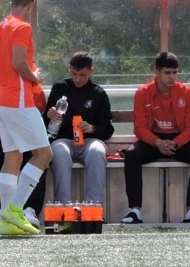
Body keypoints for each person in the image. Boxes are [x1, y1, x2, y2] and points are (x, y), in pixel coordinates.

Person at [0, 0, 51, 236]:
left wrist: (4, 69)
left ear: (11, 4)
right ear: (30, 7)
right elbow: (19, 63)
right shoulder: (23, 27)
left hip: (2, 102)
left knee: (13, 157)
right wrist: (35, 78)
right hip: (18, 100)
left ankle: (6, 221)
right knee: (44, 154)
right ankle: (15, 209)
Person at [121, 51, 190, 224]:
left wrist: (175, 143)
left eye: (175, 72)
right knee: (131, 155)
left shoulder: (186, 92)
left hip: (178, 140)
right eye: (167, 72)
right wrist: (157, 142)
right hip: (153, 140)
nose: (172, 77)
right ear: (156, 72)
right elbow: (139, 127)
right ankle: (135, 211)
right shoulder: (143, 92)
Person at [44, 52, 114, 215]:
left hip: (89, 141)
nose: (77, 79)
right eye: (74, 74)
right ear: (69, 69)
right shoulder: (59, 88)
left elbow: (108, 129)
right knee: (59, 153)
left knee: (97, 152)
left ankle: (94, 209)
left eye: (82, 75)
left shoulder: (98, 93)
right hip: (63, 139)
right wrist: (49, 114)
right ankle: (63, 209)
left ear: (91, 71)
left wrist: (92, 128)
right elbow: (46, 121)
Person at [0, 82, 47, 232]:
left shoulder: (35, 90)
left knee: (39, 152)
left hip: (23, 136)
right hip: (0, 137)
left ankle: (29, 209)